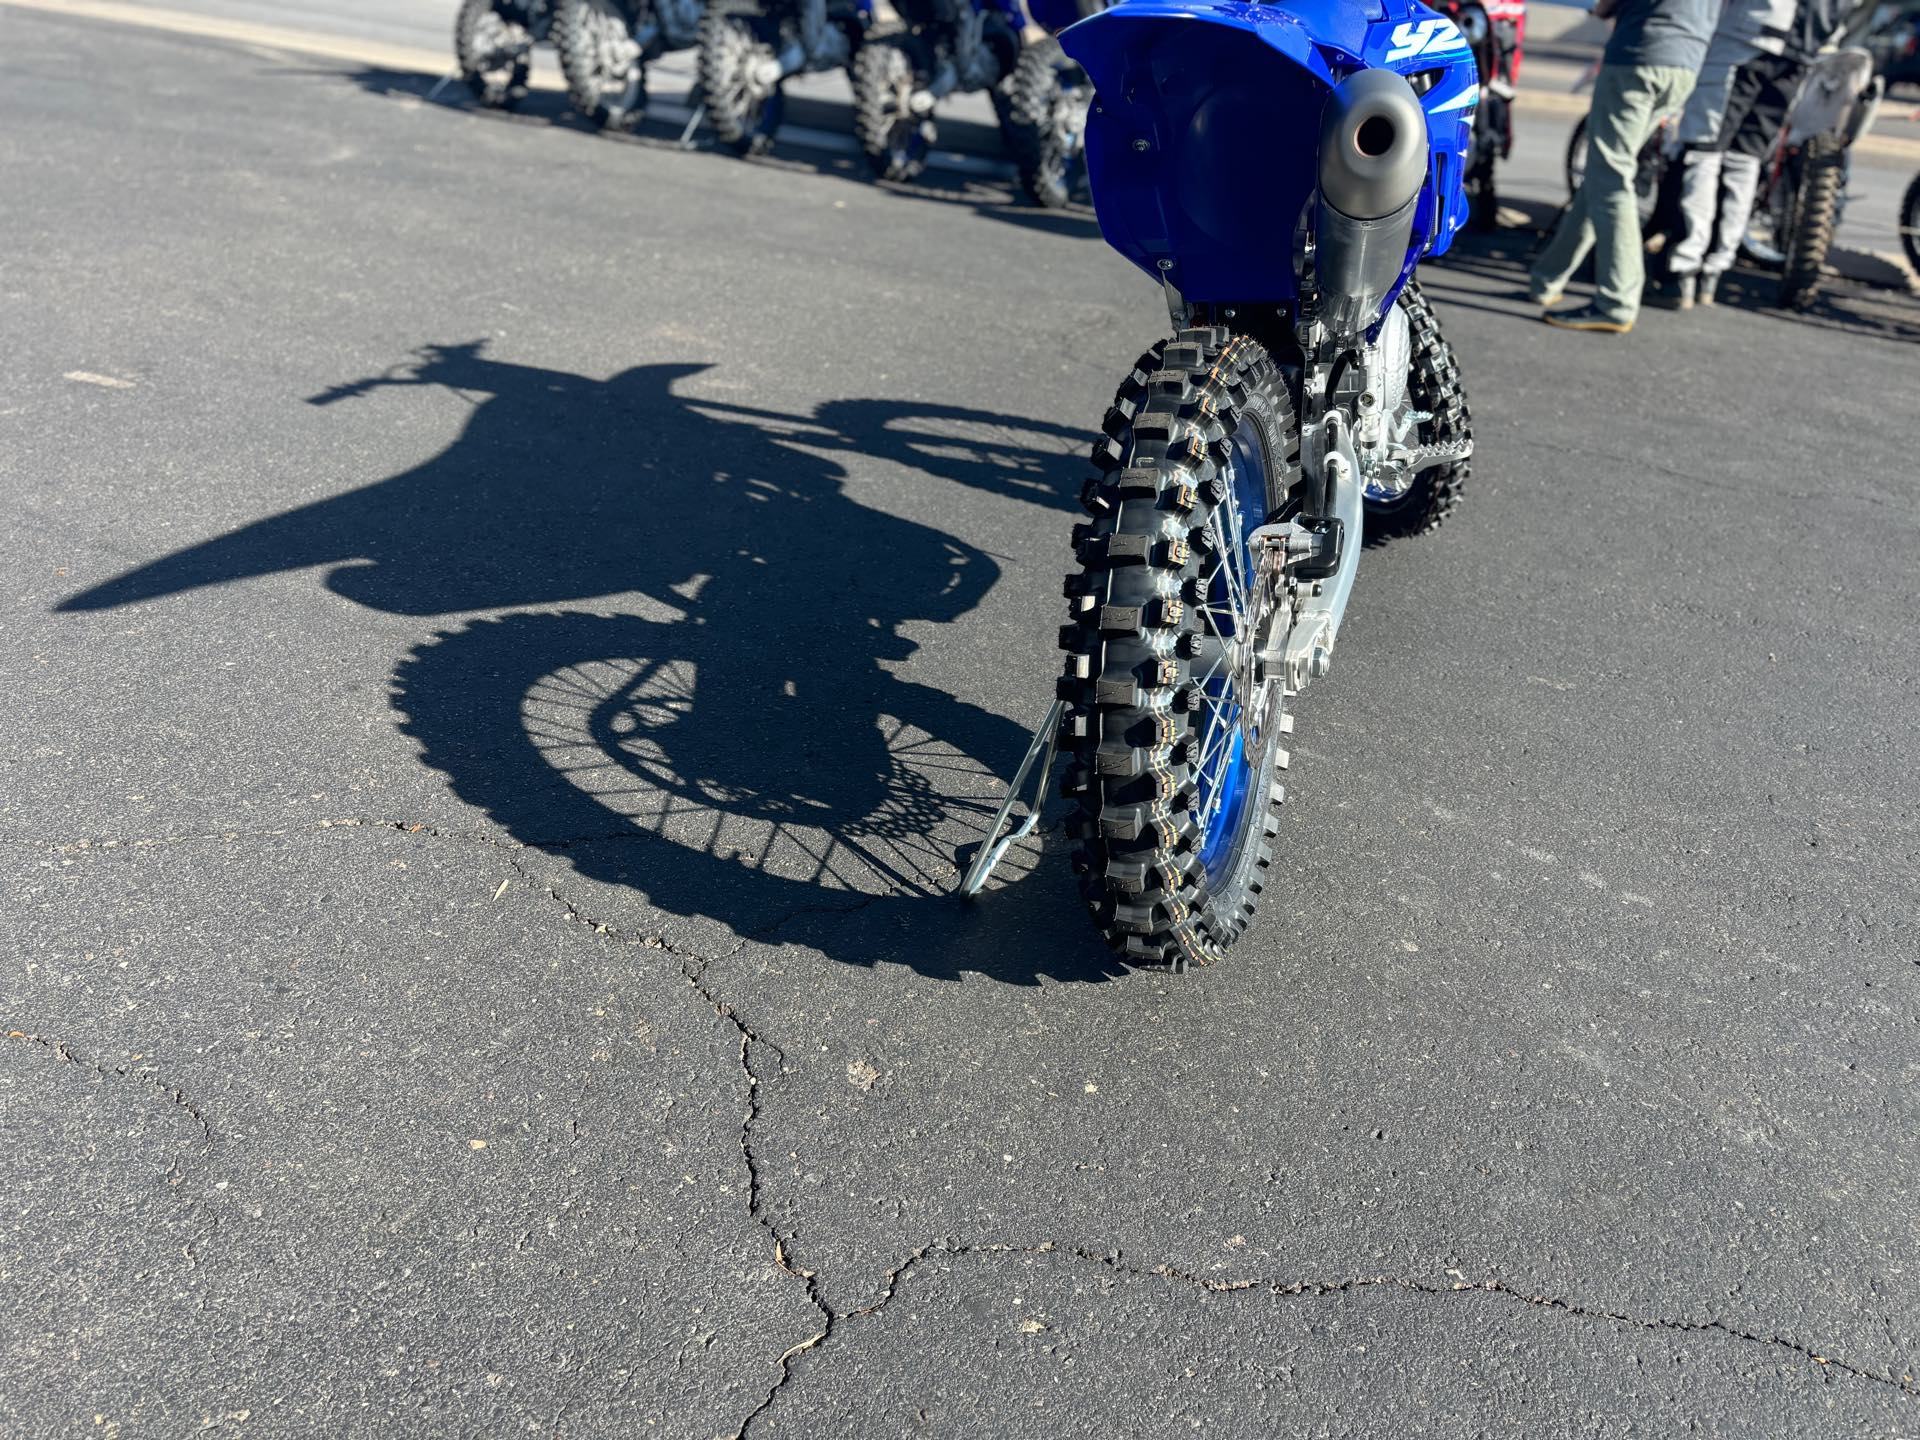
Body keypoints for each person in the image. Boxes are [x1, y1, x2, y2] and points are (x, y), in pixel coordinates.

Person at [1528, 0, 1716, 333]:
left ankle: (1617, 301)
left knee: (1611, 178)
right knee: (1604, 174)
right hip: (1686, 63)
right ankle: (1546, 280)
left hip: (1640, 55)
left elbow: (1605, 6)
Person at [1665, 0, 1845, 307]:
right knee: (1743, 159)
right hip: (1800, 52)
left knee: (1705, 149)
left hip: (1746, 37)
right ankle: (1714, 267)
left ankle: (1682, 267)